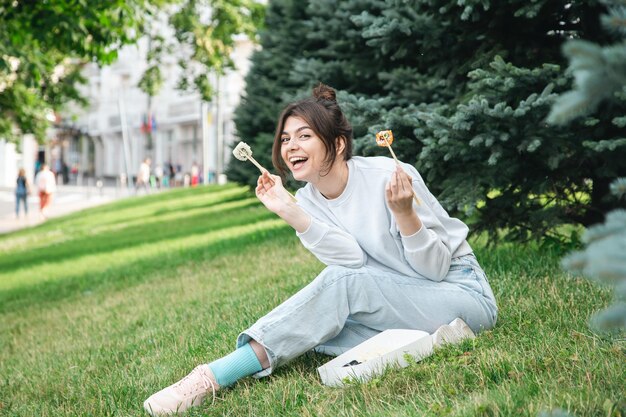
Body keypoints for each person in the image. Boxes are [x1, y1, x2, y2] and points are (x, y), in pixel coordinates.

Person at [143, 84, 498, 416]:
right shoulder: (307, 199)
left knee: (331, 302)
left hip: (460, 294)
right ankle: (431, 339)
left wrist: (405, 215)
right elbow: (353, 260)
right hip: (396, 297)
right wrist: (289, 210)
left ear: (338, 144)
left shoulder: (391, 175)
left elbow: (434, 270)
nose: (290, 146)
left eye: (304, 136)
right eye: (285, 139)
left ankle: (214, 375)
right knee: (315, 326)